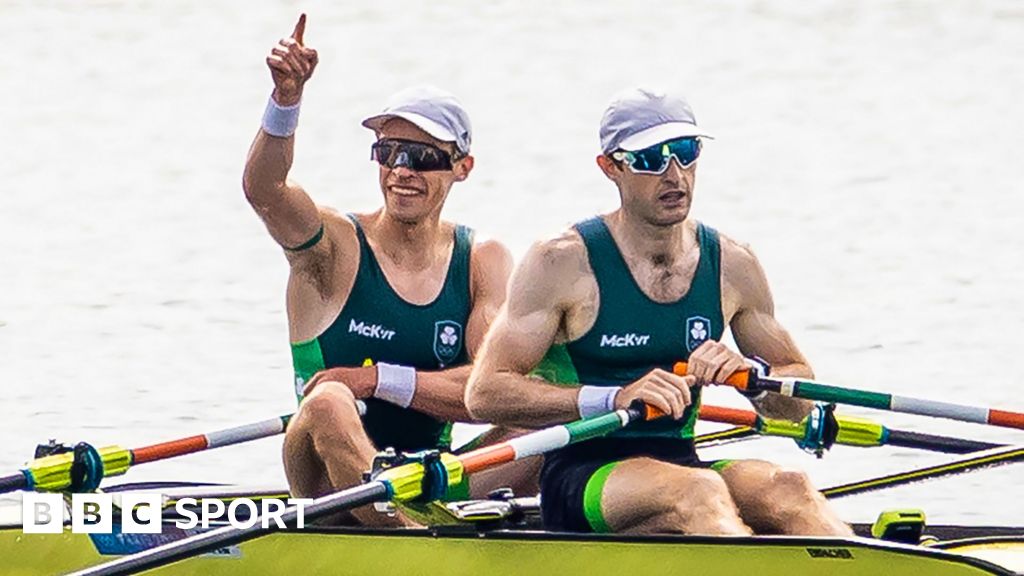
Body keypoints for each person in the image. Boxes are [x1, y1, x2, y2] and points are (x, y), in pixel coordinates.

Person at [465, 87, 853, 536]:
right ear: (611, 167)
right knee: (699, 493)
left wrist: (754, 382)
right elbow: (486, 393)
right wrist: (613, 397)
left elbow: (798, 398)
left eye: (686, 154)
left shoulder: (733, 264)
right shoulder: (561, 262)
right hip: (584, 473)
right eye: (651, 159)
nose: (674, 175)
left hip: (681, 459)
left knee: (791, 488)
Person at [242, 14, 535, 526]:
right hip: (323, 485)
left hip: (430, 477)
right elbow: (264, 191)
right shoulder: (333, 245)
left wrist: (377, 380)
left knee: (552, 412)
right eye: (389, 152)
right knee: (329, 400)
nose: (401, 169)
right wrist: (286, 100)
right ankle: (417, 544)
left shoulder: (481, 261)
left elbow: (489, 395)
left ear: (461, 167)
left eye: (422, 157)